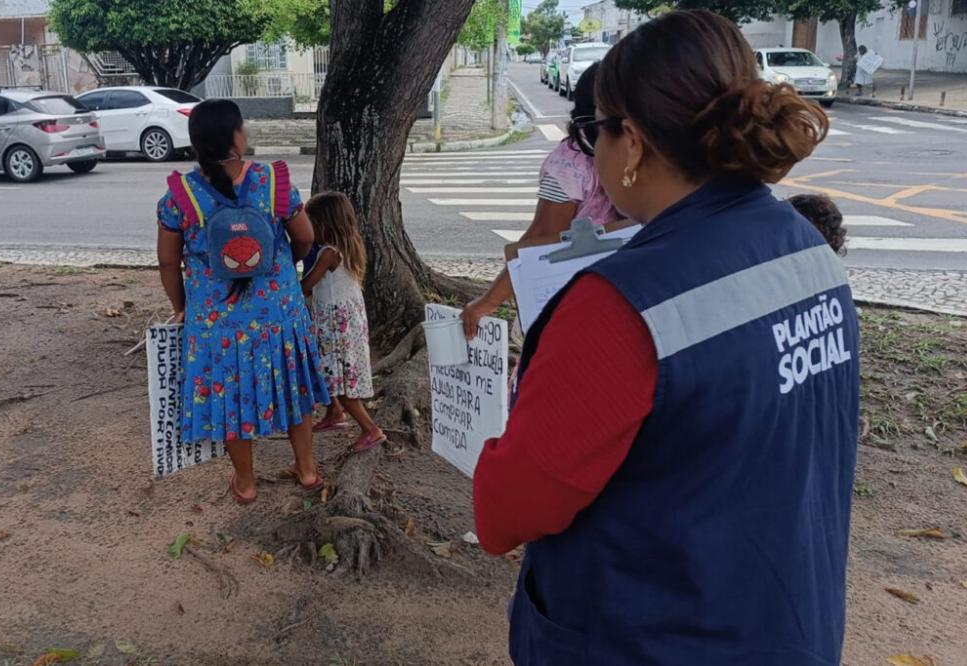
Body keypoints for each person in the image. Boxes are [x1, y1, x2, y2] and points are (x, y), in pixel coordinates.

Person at [473, 10, 859, 665]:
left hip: (649, 639)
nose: (591, 149)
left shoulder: (619, 306)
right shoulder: (808, 250)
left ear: (637, 143)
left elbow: (506, 510)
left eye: (597, 129)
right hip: (789, 628)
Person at [156, 99, 330, 505]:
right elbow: (305, 237)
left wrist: (182, 306)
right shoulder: (273, 182)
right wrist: (287, 270)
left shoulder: (179, 196)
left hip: (217, 325)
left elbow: (168, 261)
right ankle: (307, 471)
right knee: (293, 388)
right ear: (235, 137)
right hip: (278, 314)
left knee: (230, 396)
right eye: (243, 126)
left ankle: (247, 483)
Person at [460, 62, 618, 339]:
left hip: (569, 307)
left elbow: (539, 241)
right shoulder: (636, 159)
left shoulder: (570, 164)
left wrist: (486, 303)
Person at [300, 192, 386, 452]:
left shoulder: (328, 253)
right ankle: (334, 413)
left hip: (336, 326)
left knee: (342, 382)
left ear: (325, 224)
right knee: (330, 373)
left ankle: (371, 429)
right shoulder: (351, 245)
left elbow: (307, 286)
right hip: (345, 322)